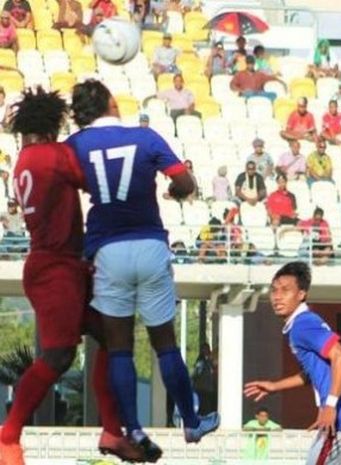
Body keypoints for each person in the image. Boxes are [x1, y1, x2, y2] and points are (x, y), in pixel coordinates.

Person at [65, 80, 219, 455]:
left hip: (106, 248)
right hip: (149, 243)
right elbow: (184, 181)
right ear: (111, 103)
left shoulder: (73, 147)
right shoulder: (145, 136)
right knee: (164, 343)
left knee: (119, 348)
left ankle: (132, 430)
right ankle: (191, 423)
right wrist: (178, 193)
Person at [0, 88, 150, 465]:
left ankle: (112, 432)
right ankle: (8, 436)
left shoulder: (26, 160)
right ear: (52, 124)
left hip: (63, 264)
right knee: (58, 355)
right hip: (56, 268)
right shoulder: (53, 156)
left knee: (113, 335)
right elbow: (96, 176)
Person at [244, 262, 341, 464]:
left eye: (285, 290)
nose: (277, 296)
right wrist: (274, 386)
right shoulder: (302, 322)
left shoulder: (302, 324)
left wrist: (330, 406)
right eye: (274, 290)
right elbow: (314, 372)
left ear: (301, 294)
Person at [191, 343, 216, 415]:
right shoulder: (201, 362)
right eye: (206, 349)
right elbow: (195, 374)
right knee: (203, 409)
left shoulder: (209, 362)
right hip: (202, 390)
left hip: (207, 390)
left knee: (207, 409)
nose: (208, 351)